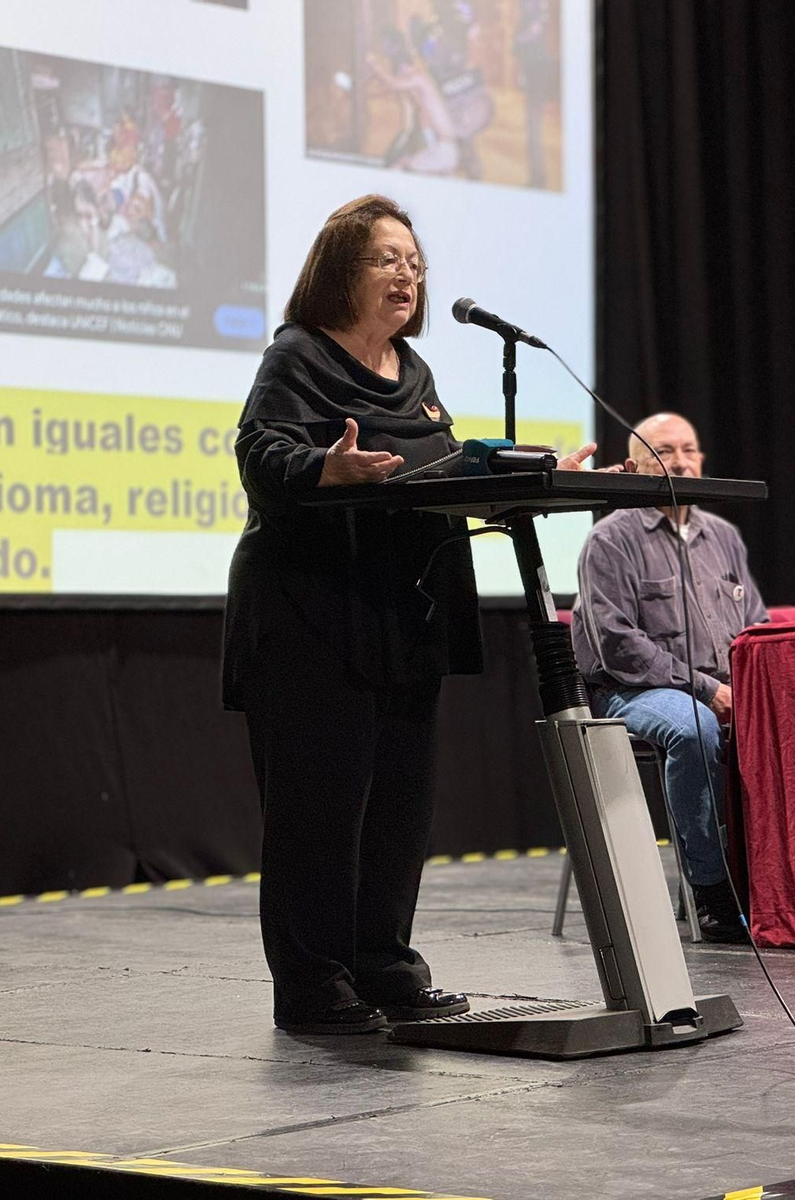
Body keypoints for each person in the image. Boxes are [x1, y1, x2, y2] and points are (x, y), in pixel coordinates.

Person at [222, 194, 602, 1034]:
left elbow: (444, 471)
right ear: (339, 271)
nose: (407, 274)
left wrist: (530, 475)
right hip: (311, 617)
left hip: (402, 614)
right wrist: (327, 465)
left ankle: (384, 965)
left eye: (415, 262)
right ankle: (314, 981)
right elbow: (259, 455)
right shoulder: (298, 357)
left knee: (398, 805)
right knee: (318, 810)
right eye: (387, 259)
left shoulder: (414, 373)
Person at [570, 413, 768, 943]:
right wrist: (708, 690)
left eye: (689, 449)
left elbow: (758, 625)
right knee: (695, 728)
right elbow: (618, 644)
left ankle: (778, 883)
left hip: (724, 685)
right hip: (633, 691)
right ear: (634, 465)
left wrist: (761, 687)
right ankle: (710, 888)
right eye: (664, 451)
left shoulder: (723, 536)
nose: (680, 461)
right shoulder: (610, 539)